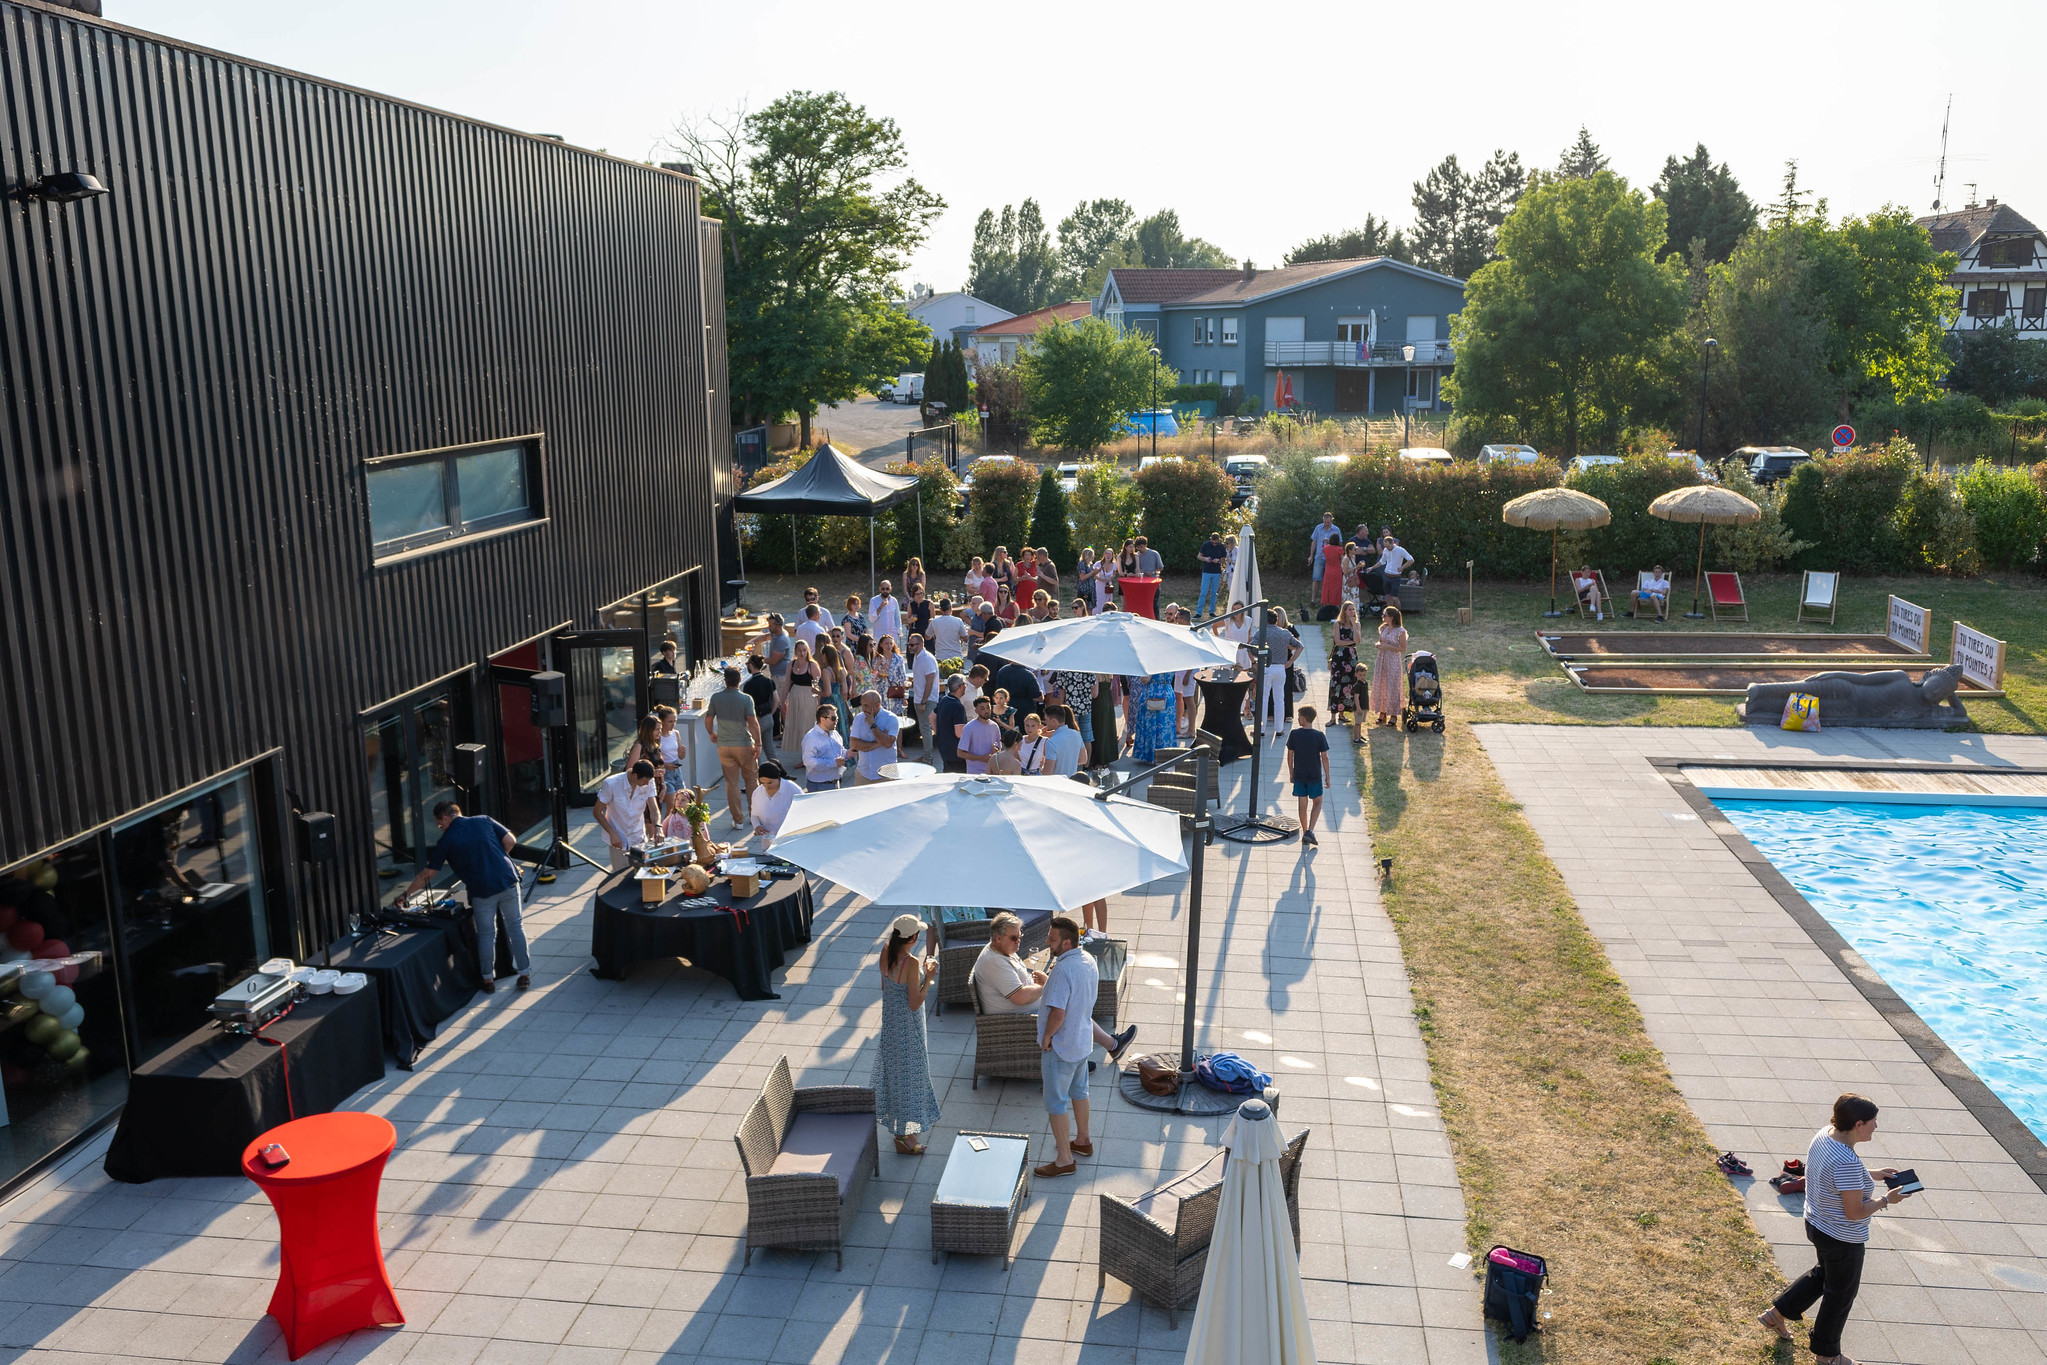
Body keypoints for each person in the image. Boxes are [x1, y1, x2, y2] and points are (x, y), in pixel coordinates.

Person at [1758, 1094, 1914, 1362]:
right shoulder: (1847, 1163)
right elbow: (1855, 1213)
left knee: (1823, 1275)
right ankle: (1826, 1355)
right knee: (1840, 1294)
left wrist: (1873, 1174)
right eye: (1873, 1122)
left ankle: (1776, 1315)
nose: (1876, 1127)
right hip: (1842, 1238)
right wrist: (1887, 1199)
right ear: (1858, 1124)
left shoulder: (1825, 1135)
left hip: (1817, 1223)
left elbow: (1834, 1172)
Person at [401, 801, 530, 993]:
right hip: (506, 880)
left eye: (439, 824)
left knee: (487, 934)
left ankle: (488, 980)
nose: (441, 828)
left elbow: (428, 873)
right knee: (516, 927)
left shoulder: (447, 840)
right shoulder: (484, 820)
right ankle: (524, 975)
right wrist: (498, 859)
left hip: (481, 890)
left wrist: (405, 894)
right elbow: (510, 840)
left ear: (445, 818)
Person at [971, 912, 1136, 1058]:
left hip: (1020, 1004)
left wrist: (1043, 982)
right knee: (1066, 1008)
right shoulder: (994, 962)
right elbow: (1020, 997)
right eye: (1014, 938)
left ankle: (1105, 1047)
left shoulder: (1001, 951)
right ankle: (1082, 1056)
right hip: (1012, 1016)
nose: (1019, 941)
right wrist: (1047, 986)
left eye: (1020, 936)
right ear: (998, 938)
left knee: (1069, 1001)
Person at [1034, 914, 1100, 1178]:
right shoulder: (1088, 960)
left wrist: (1047, 1037)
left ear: (1067, 943)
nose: (1048, 942)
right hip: (1082, 1040)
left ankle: (1064, 1159)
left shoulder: (1062, 970)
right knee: (1080, 1092)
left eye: (1052, 939)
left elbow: (1058, 1014)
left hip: (1061, 1046)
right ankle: (1083, 1141)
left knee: (1056, 1104)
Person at [871, 913, 942, 1156]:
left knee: (895, 1077)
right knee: (911, 1079)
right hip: (908, 1027)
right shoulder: (910, 963)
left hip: (891, 1023)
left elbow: (885, 985)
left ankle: (901, 1132)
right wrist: (929, 976)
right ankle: (904, 1137)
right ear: (912, 938)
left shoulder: (886, 949)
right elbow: (915, 1002)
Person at [704, 666, 763, 827]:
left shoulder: (716, 698)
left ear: (725, 681)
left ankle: (738, 820)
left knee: (731, 783)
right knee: (751, 780)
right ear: (739, 681)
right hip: (744, 744)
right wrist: (758, 743)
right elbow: (752, 722)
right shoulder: (746, 699)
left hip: (724, 745)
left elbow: (708, 719)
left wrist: (711, 733)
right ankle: (754, 816)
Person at [594, 759, 661, 871]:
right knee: (620, 877)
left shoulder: (649, 782)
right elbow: (597, 812)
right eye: (645, 781)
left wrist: (658, 827)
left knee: (641, 875)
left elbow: (654, 810)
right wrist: (612, 833)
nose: (647, 784)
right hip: (618, 839)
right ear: (634, 776)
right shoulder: (611, 784)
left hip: (638, 837)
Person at [1287, 706, 1331, 847]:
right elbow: (1324, 758)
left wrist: (1291, 772)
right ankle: (1310, 831)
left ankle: (1305, 830)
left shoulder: (1294, 734)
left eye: (1299, 716)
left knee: (1302, 803)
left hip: (1299, 774)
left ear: (1304, 718)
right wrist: (1327, 776)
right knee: (1317, 802)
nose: (1298, 718)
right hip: (1314, 775)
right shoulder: (1319, 736)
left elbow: (1290, 755)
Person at [1258, 608, 1301, 737]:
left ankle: (1261, 729)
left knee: (1264, 698)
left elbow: (1251, 647)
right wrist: (1290, 661)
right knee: (1279, 699)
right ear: (1277, 620)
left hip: (1266, 667)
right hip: (1280, 668)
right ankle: (1279, 729)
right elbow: (1300, 646)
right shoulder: (1285, 633)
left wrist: (1254, 663)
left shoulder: (1262, 633)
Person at [780, 640, 821, 768]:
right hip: (795, 696)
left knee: (806, 725)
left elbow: (818, 685)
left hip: (808, 697)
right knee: (797, 724)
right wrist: (783, 700)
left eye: (804, 650)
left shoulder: (812, 665)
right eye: (799, 650)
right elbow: (787, 682)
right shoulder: (791, 664)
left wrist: (819, 704)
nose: (802, 653)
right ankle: (804, 756)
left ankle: (808, 758)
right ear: (796, 651)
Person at [848, 689, 901, 785]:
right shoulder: (859, 718)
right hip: (863, 774)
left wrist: (873, 725)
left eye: (866, 705)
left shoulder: (891, 718)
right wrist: (879, 742)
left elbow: (888, 743)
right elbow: (854, 744)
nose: (863, 708)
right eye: (862, 704)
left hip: (887, 774)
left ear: (878, 705)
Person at [1369, 605, 1409, 727]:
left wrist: (1388, 647)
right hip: (1382, 659)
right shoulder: (1383, 628)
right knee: (1381, 684)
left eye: (1385, 615)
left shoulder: (1400, 631)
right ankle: (1382, 713)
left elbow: (1403, 648)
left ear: (1391, 617)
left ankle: (1393, 715)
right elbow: (1381, 641)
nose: (1383, 617)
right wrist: (1379, 645)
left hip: (1393, 660)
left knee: (1393, 686)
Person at [1050, 669, 1097, 765]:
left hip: (1070, 708)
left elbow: (1062, 691)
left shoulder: (1064, 670)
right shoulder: (1089, 669)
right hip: (1086, 707)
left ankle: (1075, 764)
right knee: (1087, 737)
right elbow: (1094, 690)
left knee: (1073, 737)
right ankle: (1086, 765)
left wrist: (1060, 707)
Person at [800, 703, 851, 792]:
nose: (836, 721)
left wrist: (847, 754)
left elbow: (840, 752)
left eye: (837, 718)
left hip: (835, 783)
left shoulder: (835, 734)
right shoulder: (811, 738)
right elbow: (808, 761)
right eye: (833, 718)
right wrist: (833, 763)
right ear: (822, 719)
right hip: (819, 786)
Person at [749, 760, 799, 848]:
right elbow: (754, 815)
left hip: (790, 838)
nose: (766, 786)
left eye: (769, 782)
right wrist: (757, 826)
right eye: (762, 783)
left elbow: (803, 812)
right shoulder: (757, 793)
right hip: (769, 839)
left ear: (778, 778)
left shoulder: (792, 789)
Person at [741, 654, 780, 763]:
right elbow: (776, 700)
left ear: (752, 665)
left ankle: (760, 775)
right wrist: (771, 713)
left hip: (755, 720)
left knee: (756, 751)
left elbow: (746, 706)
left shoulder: (748, 685)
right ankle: (778, 773)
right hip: (768, 718)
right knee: (770, 750)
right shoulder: (769, 681)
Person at [1329, 600, 1362, 726]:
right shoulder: (1338, 624)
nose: (1352, 612)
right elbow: (1338, 642)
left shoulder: (1357, 624)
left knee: (1348, 685)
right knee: (1336, 683)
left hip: (1351, 657)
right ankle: (1333, 716)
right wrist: (1350, 642)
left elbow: (1358, 641)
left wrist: (1354, 625)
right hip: (1339, 656)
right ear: (1344, 611)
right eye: (1349, 609)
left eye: (1353, 609)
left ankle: (1342, 714)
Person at [908, 632, 940, 757]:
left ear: (920, 645)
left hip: (926, 699)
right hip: (918, 698)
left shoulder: (927, 658)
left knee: (926, 727)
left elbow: (930, 681)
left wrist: (923, 702)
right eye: (909, 645)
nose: (909, 647)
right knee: (923, 727)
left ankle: (928, 757)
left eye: (912, 645)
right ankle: (927, 755)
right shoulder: (917, 657)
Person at [1133, 672, 1176, 762]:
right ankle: (1167, 753)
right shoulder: (1173, 659)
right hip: (1167, 691)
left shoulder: (1152, 660)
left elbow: (1145, 679)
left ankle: (1151, 754)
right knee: (1166, 726)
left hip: (1152, 693)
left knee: (1151, 725)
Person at [990, 652, 1044, 722]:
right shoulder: (1028, 675)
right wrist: (1042, 693)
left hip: (1004, 710)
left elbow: (998, 691)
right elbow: (1038, 697)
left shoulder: (1002, 671)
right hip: (1023, 711)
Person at [626, 714, 668, 803]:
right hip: (642, 789)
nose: (660, 732)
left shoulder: (655, 746)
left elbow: (660, 767)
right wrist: (652, 773)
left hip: (656, 788)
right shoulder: (639, 746)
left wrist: (664, 785)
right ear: (648, 730)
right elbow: (630, 770)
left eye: (660, 729)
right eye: (657, 729)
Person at [932, 676, 969, 773]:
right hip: (956, 752)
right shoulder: (958, 707)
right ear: (960, 687)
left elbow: (931, 717)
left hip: (944, 747)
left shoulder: (944, 699)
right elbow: (959, 733)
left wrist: (939, 734)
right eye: (965, 685)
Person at [1366, 535, 1414, 604]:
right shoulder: (1385, 550)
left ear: (1393, 543)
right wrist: (1372, 567)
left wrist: (1402, 567)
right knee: (1387, 597)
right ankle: (1389, 613)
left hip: (1396, 577)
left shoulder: (1400, 550)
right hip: (1386, 576)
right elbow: (1382, 561)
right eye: (1385, 546)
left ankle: (1397, 613)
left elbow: (1411, 560)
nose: (1387, 548)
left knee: (1394, 598)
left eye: (1388, 546)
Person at [958, 694, 1001, 774]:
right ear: (976, 711)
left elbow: (999, 748)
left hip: (992, 771)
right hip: (974, 773)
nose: (987, 711)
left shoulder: (995, 726)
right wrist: (981, 758)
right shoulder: (969, 727)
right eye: (982, 709)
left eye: (988, 707)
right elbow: (960, 753)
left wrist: (996, 751)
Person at [1038, 703, 1085, 776]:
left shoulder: (1051, 742)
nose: (1045, 722)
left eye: (1046, 719)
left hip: (1057, 784)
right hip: (1072, 782)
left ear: (1053, 721)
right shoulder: (1076, 734)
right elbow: (1083, 759)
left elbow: (1047, 773)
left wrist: (1043, 766)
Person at [873, 632, 908, 716]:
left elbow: (903, 678)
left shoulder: (898, 659)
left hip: (895, 693)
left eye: (891, 643)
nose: (889, 646)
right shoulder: (877, 660)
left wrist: (904, 696)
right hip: (881, 693)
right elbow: (874, 678)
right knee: (883, 718)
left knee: (897, 720)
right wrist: (882, 667)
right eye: (886, 643)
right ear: (881, 645)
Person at [1196, 531, 1226, 618]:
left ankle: (1212, 611)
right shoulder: (1205, 545)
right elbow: (1199, 556)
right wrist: (1205, 559)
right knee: (1203, 592)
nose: (1214, 544)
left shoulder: (1221, 547)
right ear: (1210, 539)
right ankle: (1199, 612)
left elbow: (1224, 560)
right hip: (1206, 571)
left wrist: (1219, 560)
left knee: (1214, 593)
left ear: (1218, 540)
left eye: (1216, 542)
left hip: (1216, 572)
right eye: (1213, 542)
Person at [1308, 511, 1342, 585]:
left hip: (1331, 559)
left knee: (1329, 580)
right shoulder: (1318, 528)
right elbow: (1314, 542)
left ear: (1331, 520)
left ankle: (1326, 596)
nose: (1326, 524)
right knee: (1316, 579)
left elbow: (1340, 544)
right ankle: (1313, 597)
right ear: (1323, 520)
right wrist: (1311, 556)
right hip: (1319, 556)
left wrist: (1330, 541)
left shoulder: (1336, 529)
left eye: (1328, 523)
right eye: (1325, 522)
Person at [872, 580, 903, 646]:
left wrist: (898, 631)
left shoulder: (894, 600)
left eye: (887, 588)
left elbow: (897, 617)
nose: (885, 590)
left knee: (893, 655)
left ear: (890, 589)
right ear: (880, 589)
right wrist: (880, 607)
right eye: (883, 589)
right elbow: (871, 618)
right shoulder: (874, 600)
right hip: (879, 636)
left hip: (892, 636)